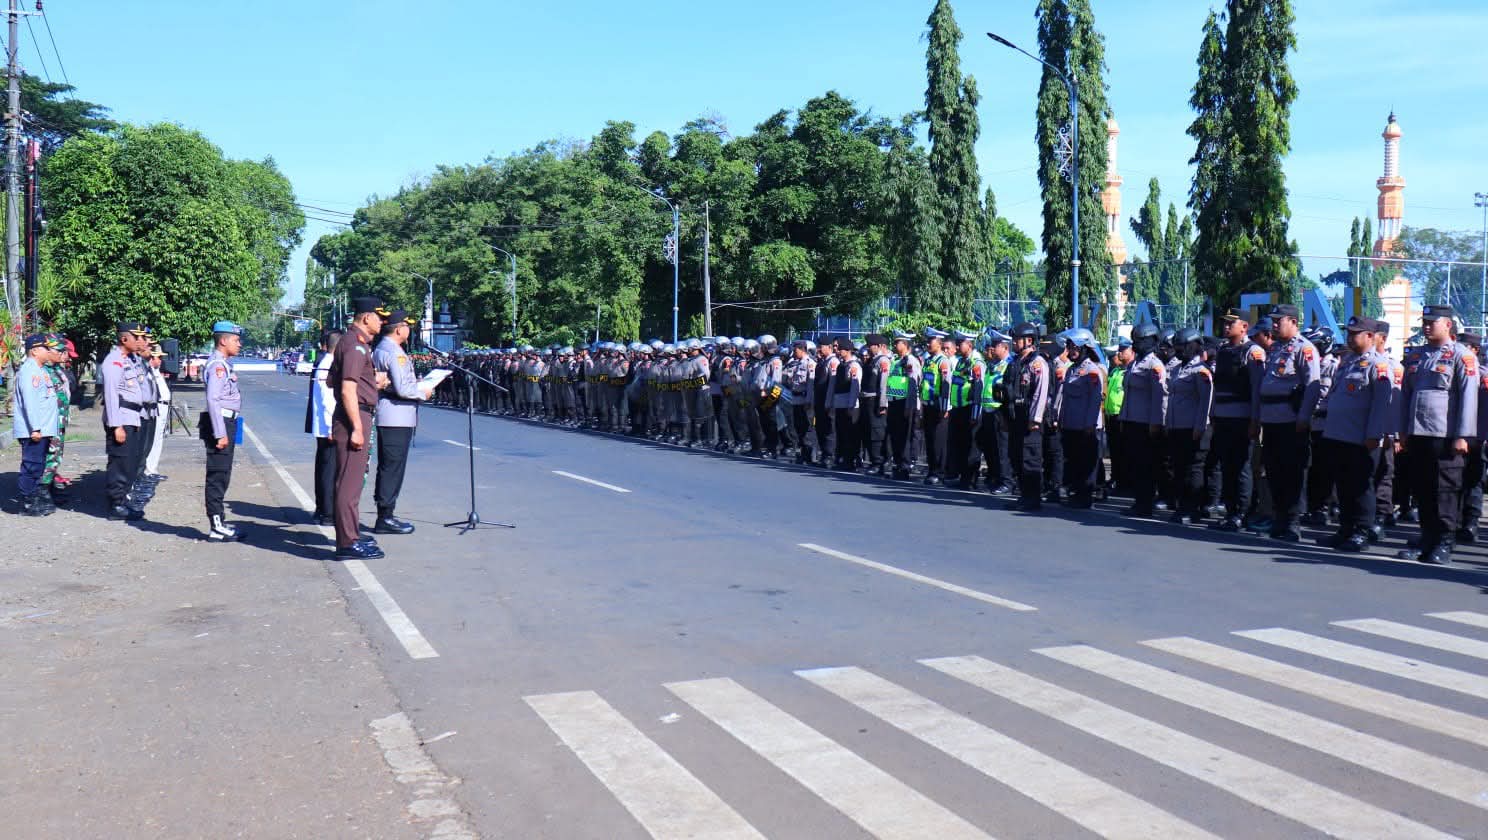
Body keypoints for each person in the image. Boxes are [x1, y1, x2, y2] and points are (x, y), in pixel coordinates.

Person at [1397, 304, 1477, 564]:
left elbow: (1468, 397)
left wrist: (1464, 435)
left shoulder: (1461, 355)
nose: (1427, 325)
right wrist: (1404, 430)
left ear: (1448, 325)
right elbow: (1407, 395)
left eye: (1433, 321)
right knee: (1423, 489)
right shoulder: (1417, 356)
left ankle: (1444, 541)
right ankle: (1427, 538)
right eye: (1425, 321)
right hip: (1419, 433)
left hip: (1445, 435)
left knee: (1445, 490)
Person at [1319, 317, 1394, 552]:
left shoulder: (1379, 365)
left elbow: (1382, 404)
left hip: (1362, 438)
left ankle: (1362, 531)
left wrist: (1374, 435)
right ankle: (1346, 529)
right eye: (1349, 333)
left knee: (1361, 487)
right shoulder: (1348, 362)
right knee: (1343, 486)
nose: (1350, 337)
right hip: (1339, 435)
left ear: (1370, 337)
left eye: (1356, 333)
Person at [1253, 304, 1321, 541]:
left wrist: (1304, 417)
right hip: (1271, 420)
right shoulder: (1276, 349)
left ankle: (1292, 522)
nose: (1273, 324)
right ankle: (1279, 518)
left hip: (1291, 422)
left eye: (1278, 320)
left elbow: (1313, 386)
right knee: (1274, 472)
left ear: (1293, 321)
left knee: (1292, 474)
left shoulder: (1304, 349)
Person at [330, 298, 390, 560]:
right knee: (349, 484)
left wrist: (371, 384)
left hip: (356, 413)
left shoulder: (353, 343)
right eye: (379, 317)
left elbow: (335, 380)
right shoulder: (355, 346)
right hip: (354, 417)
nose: (382, 322)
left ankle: (350, 534)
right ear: (366, 318)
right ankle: (347, 543)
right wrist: (356, 427)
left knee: (351, 481)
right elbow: (346, 388)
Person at [373, 310, 433, 536]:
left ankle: (386, 513)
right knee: (392, 468)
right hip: (396, 417)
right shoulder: (395, 352)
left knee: (389, 467)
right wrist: (423, 390)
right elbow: (403, 389)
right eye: (408, 326)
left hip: (391, 416)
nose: (409, 330)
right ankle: (385, 517)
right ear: (400, 329)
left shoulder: (382, 348)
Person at [1208, 309, 1264, 532]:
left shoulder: (1253, 351)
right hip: (1222, 418)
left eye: (1231, 323)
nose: (1226, 326)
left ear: (1245, 327)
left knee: (1241, 467)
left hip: (1241, 419)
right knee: (1227, 467)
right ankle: (1230, 511)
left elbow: (1257, 389)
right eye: (1224, 322)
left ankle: (1241, 513)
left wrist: (1254, 420)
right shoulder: (1222, 349)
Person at [201, 321, 246, 542]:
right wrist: (220, 433)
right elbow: (213, 399)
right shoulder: (217, 366)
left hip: (228, 422)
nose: (239, 344)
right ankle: (216, 526)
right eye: (236, 340)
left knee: (223, 474)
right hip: (220, 424)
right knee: (218, 475)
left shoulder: (224, 364)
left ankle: (219, 521)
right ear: (223, 340)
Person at [100, 321, 149, 521]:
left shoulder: (129, 360)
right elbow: (111, 395)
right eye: (136, 337)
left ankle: (123, 500)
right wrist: (116, 425)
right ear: (124, 338)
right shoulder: (114, 361)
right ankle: (116, 504)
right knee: (120, 463)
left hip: (133, 417)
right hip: (121, 418)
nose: (139, 340)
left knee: (130, 462)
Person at [1166, 328, 1213, 524]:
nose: (1178, 350)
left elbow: (1205, 401)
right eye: (1176, 346)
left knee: (1193, 469)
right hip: (1177, 426)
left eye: (1182, 346)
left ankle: (1192, 508)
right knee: (1179, 467)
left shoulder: (1201, 371)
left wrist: (1200, 426)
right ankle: (1181, 506)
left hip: (1194, 427)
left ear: (1193, 346)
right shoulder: (1178, 369)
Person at [1120, 323, 1168, 518]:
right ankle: (1139, 501)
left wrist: (1156, 422)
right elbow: (1128, 394)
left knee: (1146, 465)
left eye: (1139, 341)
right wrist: (1123, 417)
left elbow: (1161, 396)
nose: (1135, 345)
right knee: (1135, 464)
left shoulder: (1154, 365)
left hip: (1147, 424)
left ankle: (1145, 503)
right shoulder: (1134, 364)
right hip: (1132, 421)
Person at [11, 334, 60, 516]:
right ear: (35, 350)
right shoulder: (30, 371)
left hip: (42, 429)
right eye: (46, 348)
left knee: (37, 465)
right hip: (35, 430)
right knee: (31, 466)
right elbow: (30, 402)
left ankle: (32, 499)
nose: (49, 351)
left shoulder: (40, 370)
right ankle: (27, 503)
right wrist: (35, 428)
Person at [1056, 329, 1105, 508]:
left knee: (1086, 463)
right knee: (1074, 461)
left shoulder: (1092, 370)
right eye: (1069, 346)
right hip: (1071, 425)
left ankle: (1085, 497)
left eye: (1075, 347)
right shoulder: (1071, 370)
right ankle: (1076, 493)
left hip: (1085, 426)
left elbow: (1095, 399)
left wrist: (1090, 424)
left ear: (1085, 348)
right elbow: (1065, 399)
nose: (1071, 350)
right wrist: (1061, 420)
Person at [1006, 322, 1050, 511]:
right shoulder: (1017, 363)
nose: (1014, 343)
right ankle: (1024, 495)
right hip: (1017, 418)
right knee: (1017, 457)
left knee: (1030, 459)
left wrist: (1035, 419)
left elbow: (1040, 393)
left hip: (1031, 420)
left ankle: (1033, 498)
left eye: (1017, 340)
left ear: (1029, 341)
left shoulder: (1037, 363)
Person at [306, 329, 342, 526]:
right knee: (329, 470)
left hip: (324, 426)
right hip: (329, 426)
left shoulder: (324, 362)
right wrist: (331, 428)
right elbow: (328, 401)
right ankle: (328, 512)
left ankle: (322, 508)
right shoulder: (330, 364)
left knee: (323, 467)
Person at [945, 330, 985, 489]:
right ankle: (961, 476)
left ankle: (970, 479)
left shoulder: (976, 362)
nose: (957, 346)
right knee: (959, 444)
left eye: (960, 343)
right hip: (958, 408)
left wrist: (975, 413)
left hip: (970, 410)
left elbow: (978, 389)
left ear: (969, 345)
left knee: (971, 446)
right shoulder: (962, 361)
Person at [976, 330, 1014, 495]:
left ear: (1004, 347)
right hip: (988, 411)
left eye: (995, 346)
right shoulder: (995, 364)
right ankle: (996, 477)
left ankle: (1007, 481)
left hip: (1001, 412)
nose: (991, 349)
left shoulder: (1009, 364)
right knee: (991, 448)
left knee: (1002, 449)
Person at [885, 331, 922, 480]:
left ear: (905, 345)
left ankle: (904, 467)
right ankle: (898, 465)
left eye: (897, 343)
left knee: (904, 437)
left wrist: (909, 406)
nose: (895, 345)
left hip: (905, 403)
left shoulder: (910, 361)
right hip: (894, 402)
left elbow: (913, 385)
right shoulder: (896, 361)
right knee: (895, 436)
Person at [920, 329, 953, 485]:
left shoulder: (943, 361)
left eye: (930, 341)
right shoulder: (928, 360)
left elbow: (946, 386)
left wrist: (945, 408)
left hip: (939, 406)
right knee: (930, 440)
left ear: (939, 344)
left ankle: (939, 472)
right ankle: (932, 469)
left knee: (938, 441)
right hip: (928, 405)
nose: (928, 344)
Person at [860, 334, 893, 475]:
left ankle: (879, 462)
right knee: (869, 431)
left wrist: (882, 404)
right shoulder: (872, 360)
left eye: (871, 346)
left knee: (877, 432)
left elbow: (883, 384)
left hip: (876, 401)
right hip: (867, 400)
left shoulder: (883, 361)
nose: (869, 348)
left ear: (879, 346)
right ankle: (875, 461)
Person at [142, 341, 172, 483]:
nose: (160, 360)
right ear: (152, 357)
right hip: (156, 407)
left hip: (163, 406)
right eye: (158, 357)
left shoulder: (156, 372)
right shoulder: (149, 372)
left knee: (159, 439)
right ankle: (149, 470)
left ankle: (153, 468)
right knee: (153, 440)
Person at [830, 337, 862, 468]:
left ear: (847, 350)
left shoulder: (854, 365)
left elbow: (855, 387)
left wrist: (851, 405)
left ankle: (850, 461)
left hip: (850, 406)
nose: (838, 351)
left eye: (840, 348)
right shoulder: (841, 365)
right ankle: (842, 457)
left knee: (850, 435)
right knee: (841, 433)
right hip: (840, 404)